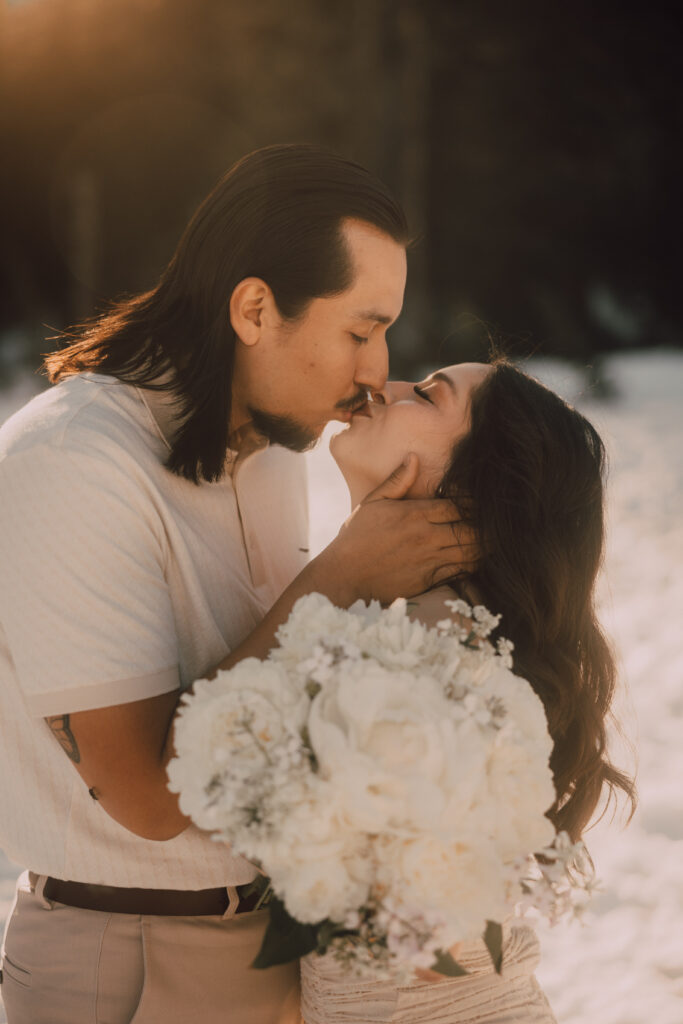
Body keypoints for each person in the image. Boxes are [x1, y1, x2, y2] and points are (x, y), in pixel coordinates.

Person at [0, 144, 473, 1024]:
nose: (376, 371)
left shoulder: (272, 449)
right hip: (130, 957)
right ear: (254, 308)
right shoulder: (73, 464)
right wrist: (338, 579)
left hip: (273, 952)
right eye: (359, 332)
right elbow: (147, 796)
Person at [298, 357, 636, 1023]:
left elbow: (424, 924)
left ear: (476, 487)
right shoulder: (413, 618)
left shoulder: (433, 640)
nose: (383, 387)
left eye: (424, 396)